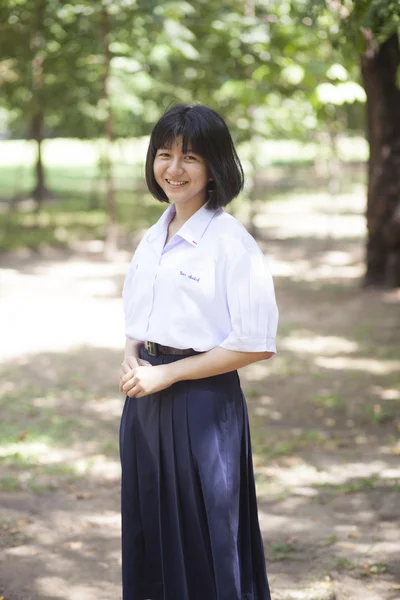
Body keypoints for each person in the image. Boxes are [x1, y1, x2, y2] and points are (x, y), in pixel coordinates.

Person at [119, 103, 279, 600]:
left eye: (189, 157)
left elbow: (255, 344)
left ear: (214, 167)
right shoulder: (153, 234)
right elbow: (139, 315)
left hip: (203, 404)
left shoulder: (232, 244)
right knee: (150, 532)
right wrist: (133, 356)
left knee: (203, 534)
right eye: (164, 155)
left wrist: (168, 375)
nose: (173, 168)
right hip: (145, 399)